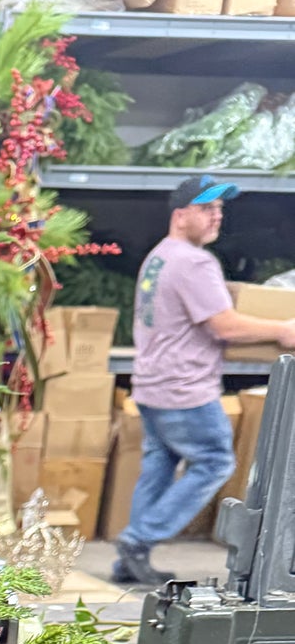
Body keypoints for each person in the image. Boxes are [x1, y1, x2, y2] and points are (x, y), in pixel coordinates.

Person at [115, 175, 295, 587]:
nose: (216, 217)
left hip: (153, 383)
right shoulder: (194, 263)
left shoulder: (159, 257)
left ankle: (129, 560)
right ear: (181, 215)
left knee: (158, 468)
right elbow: (225, 327)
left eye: (219, 209)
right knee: (215, 461)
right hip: (185, 388)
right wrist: (282, 331)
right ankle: (138, 538)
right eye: (206, 208)